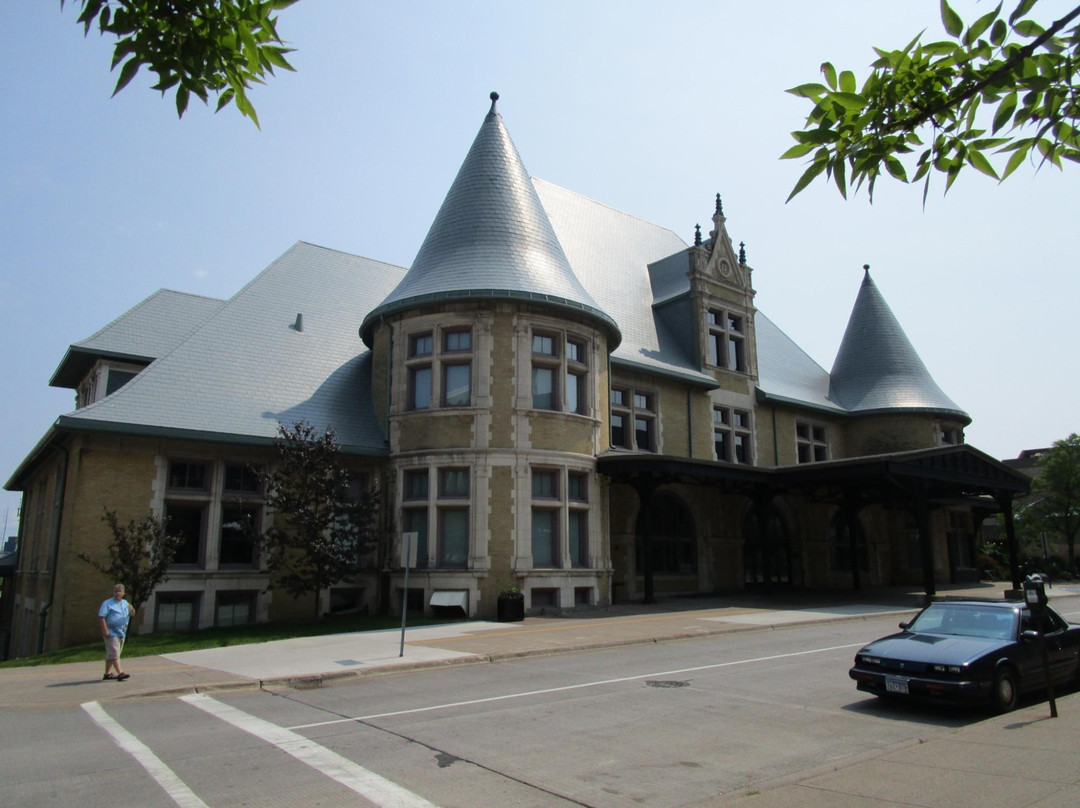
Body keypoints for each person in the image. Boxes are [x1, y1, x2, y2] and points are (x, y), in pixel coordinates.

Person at [98, 584, 135, 681]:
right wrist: (105, 630)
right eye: (115, 591)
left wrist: (132, 610)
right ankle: (120, 673)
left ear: (123, 593)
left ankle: (107, 674)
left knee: (112, 654)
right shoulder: (107, 603)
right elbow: (101, 617)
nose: (117, 593)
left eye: (119, 591)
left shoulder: (125, 603)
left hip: (121, 632)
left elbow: (132, 614)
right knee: (115, 653)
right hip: (111, 632)